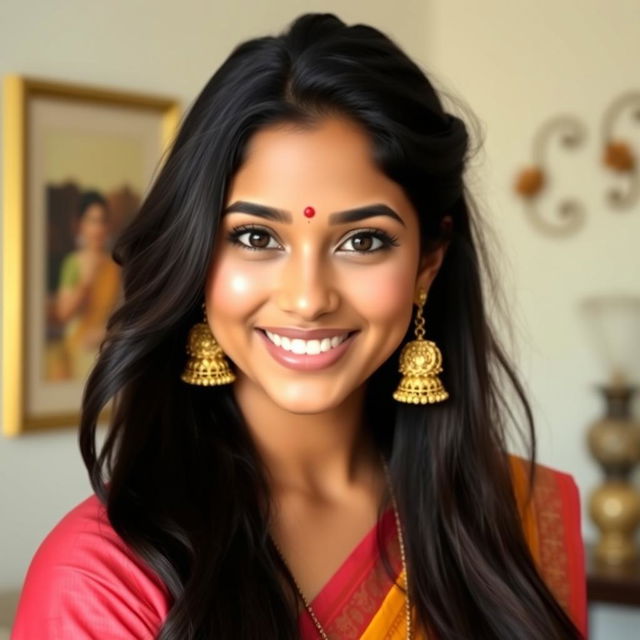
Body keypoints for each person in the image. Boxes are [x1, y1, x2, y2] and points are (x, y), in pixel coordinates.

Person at [11, 12, 586, 640]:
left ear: (428, 262)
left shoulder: (523, 516)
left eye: (363, 241)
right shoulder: (104, 579)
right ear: (196, 255)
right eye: (256, 237)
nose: (308, 298)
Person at [52, 190, 121, 380]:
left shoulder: (114, 266)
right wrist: (87, 281)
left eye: (102, 221)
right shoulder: (73, 263)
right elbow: (63, 313)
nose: (98, 228)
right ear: (81, 225)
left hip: (105, 343)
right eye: (92, 221)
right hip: (77, 346)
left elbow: (118, 311)